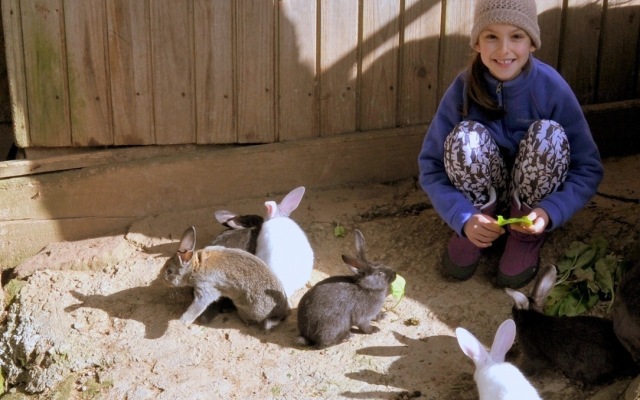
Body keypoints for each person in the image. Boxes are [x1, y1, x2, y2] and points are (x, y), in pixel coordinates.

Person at [418, 0, 603, 288]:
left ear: (532, 43)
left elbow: (588, 167)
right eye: (491, 36)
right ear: (477, 43)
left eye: (516, 36)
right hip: (479, 201)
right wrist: (463, 216)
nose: (504, 49)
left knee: (549, 135)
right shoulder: (463, 87)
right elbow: (430, 166)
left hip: (531, 206)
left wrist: (550, 211)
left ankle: (524, 240)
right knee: (465, 136)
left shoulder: (552, 87)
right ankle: (478, 227)